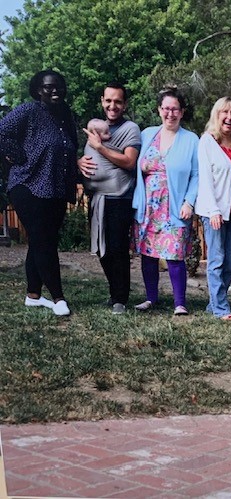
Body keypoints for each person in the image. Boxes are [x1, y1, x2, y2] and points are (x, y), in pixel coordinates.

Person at [0, 69, 78, 316]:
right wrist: (17, 154)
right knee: (44, 240)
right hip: (27, 185)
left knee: (42, 239)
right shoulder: (29, 110)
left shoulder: (65, 115)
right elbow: (1, 131)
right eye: (48, 87)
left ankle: (33, 295)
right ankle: (58, 298)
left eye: (58, 86)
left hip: (54, 187)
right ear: (37, 90)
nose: (54, 90)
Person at [132, 87, 199, 315]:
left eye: (175, 109)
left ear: (182, 112)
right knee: (148, 254)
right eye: (166, 108)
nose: (170, 113)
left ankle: (180, 303)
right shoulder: (146, 134)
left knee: (174, 255)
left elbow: (197, 174)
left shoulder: (191, 140)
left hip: (175, 206)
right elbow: (133, 162)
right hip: (148, 206)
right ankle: (151, 298)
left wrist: (189, 202)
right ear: (159, 110)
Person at [78, 83, 141, 315]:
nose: (112, 106)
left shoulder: (130, 129)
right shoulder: (95, 127)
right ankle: (114, 291)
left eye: (118, 101)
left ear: (124, 105)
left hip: (119, 197)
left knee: (116, 248)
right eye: (108, 101)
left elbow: (129, 162)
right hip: (97, 198)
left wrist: (100, 147)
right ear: (102, 101)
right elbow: (88, 155)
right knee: (101, 249)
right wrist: (79, 162)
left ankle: (120, 299)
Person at [195, 97, 231, 321]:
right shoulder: (208, 142)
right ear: (216, 116)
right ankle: (220, 308)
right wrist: (213, 210)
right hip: (214, 211)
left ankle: (214, 303)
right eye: (223, 113)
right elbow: (205, 179)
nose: (229, 117)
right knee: (216, 259)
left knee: (230, 262)